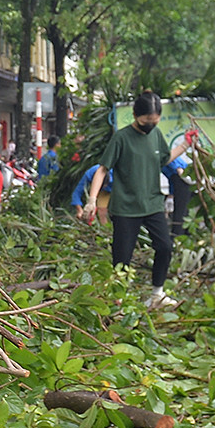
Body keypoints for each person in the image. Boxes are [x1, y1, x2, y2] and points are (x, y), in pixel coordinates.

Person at [81, 92, 175, 309]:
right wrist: (92, 200)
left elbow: (163, 159)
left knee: (165, 247)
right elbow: (103, 169)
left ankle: (157, 295)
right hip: (125, 207)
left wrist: (186, 146)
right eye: (145, 121)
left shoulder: (156, 135)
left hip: (152, 203)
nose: (149, 125)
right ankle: (118, 303)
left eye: (154, 121)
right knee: (122, 257)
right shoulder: (121, 138)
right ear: (135, 115)